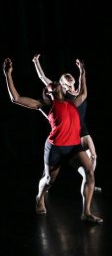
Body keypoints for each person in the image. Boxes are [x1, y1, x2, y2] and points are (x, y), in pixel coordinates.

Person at [3, 58, 102, 223]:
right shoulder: (46, 105)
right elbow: (16, 98)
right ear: (48, 92)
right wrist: (7, 75)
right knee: (49, 180)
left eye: (56, 83)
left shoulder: (72, 102)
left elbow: (83, 93)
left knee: (90, 172)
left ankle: (86, 212)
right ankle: (39, 197)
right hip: (55, 148)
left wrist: (83, 72)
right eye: (51, 86)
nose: (54, 84)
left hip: (73, 147)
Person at [32, 54, 101, 193]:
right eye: (66, 81)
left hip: (84, 130)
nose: (69, 82)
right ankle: (46, 181)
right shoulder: (63, 95)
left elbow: (83, 88)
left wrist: (82, 71)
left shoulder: (79, 91)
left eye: (71, 79)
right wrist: (36, 62)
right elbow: (43, 79)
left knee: (94, 157)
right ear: (62, 84)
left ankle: (89, 183)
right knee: (55, 169)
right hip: (71, 132)